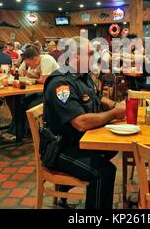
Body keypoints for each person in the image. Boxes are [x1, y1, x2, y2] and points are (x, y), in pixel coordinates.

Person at [43, 36, 126, 209]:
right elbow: (80, 122)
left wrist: (115, 105)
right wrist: (113, 114)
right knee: (104, 172)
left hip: (80, 142)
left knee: (111, 148)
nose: (94, 56)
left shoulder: (83, 76)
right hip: (60, 149)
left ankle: (70, 187)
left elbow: (96, 97)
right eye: (90, 53)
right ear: (75, 55)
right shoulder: (60, 83)